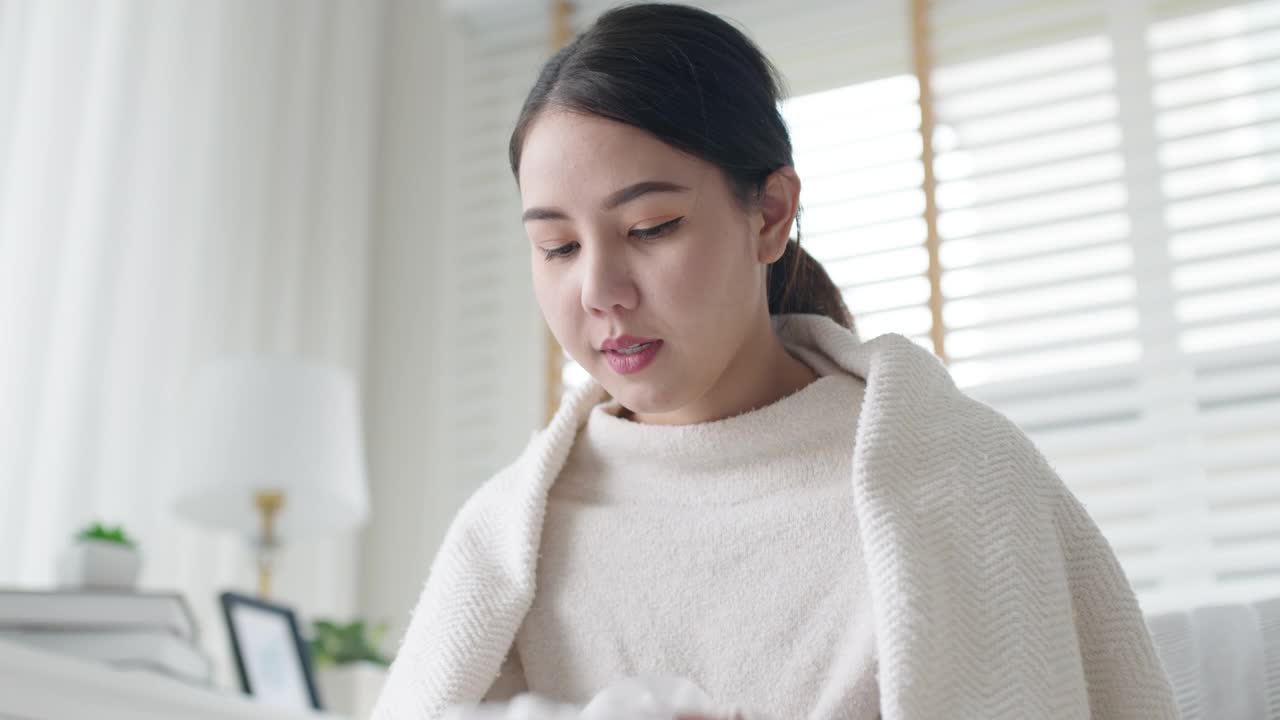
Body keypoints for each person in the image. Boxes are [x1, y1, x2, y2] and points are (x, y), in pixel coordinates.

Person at [372, 4, 1179, 719]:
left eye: (651, 227)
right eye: (556, 246)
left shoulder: (962, 481)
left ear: (770, 214)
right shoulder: (507, 539)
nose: (600, 291)